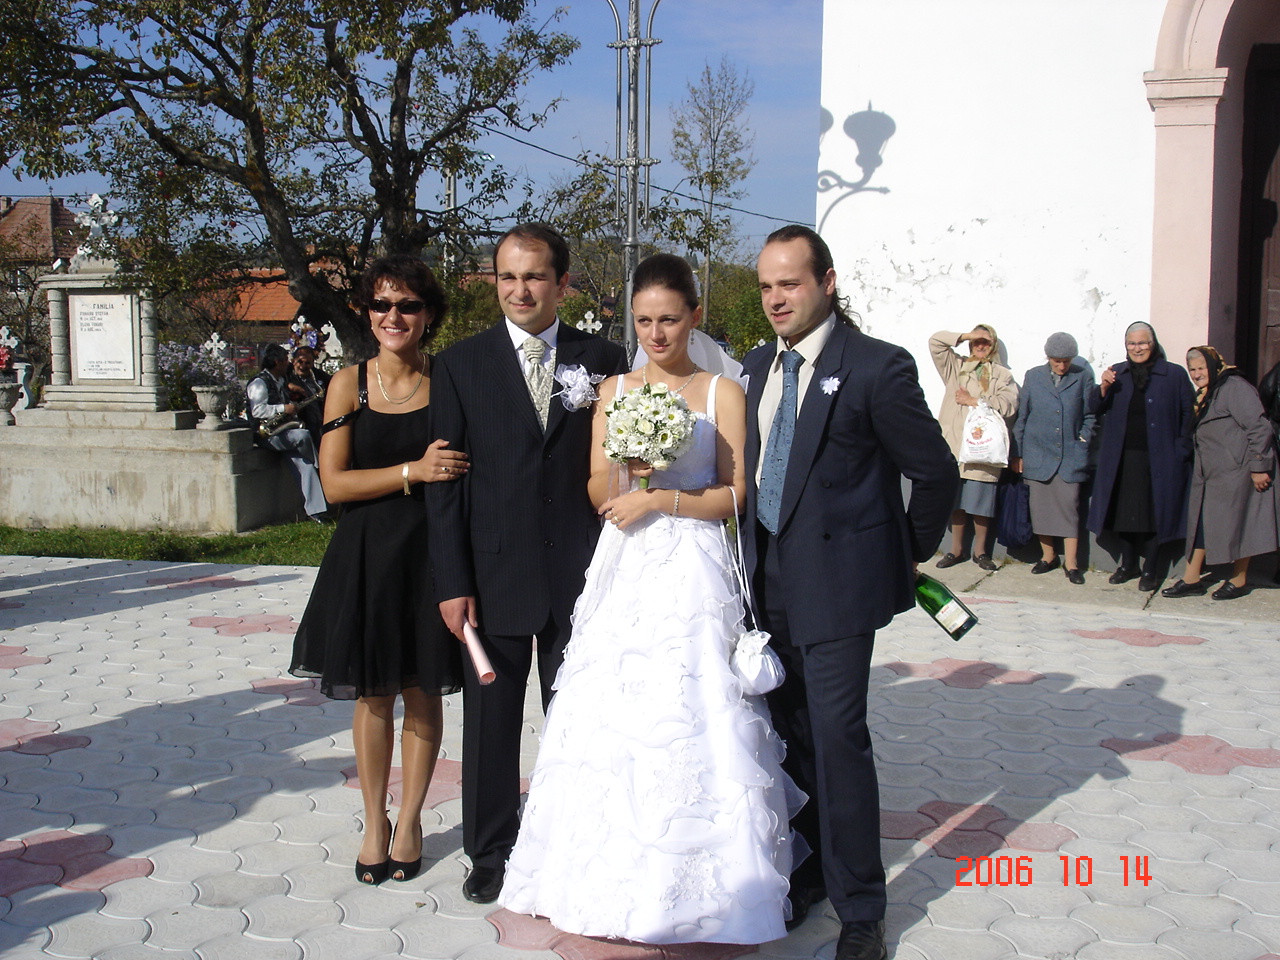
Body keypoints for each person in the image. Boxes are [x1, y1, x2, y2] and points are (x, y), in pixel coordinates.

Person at [499, 253, 802, 944]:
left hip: (694, 566)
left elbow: (735, 495)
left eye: (668, 319)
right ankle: (600, 875)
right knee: (612, 708)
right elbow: (595, 486)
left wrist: (662, 495)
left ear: (694, 316)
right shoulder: (614, 389)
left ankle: (705, 880)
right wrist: (628, 473)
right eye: (643, 321)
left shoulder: (722, 392)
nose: (656, 334)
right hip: (627, 562)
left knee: (693, 705)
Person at [744, 226, 957, 960]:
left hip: (838, 588)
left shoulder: (875, 366)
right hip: (765, 585)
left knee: (838, 741)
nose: (776, 299)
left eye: (790, 283)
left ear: (827, 282)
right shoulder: (755, 368)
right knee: (787, 736)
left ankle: (861, 907)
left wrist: (897, 556)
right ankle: (805, 875)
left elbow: (935, 473)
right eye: (766, 286)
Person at [425, 223, 627, 905]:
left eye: (535, 276)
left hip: (581, 574)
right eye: (507, 276)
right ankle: (489, 851)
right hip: (493, 574)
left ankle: (573, 841)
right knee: (491, 726)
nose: (520, 289)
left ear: (562, 283)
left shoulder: (604, 358)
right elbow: (446, 486)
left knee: (577, 720)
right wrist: (453, 582)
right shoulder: (460, 365)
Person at [289, 255, 468, 885]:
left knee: (423, 690)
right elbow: (334, 484)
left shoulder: (450, 380)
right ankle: (374, 820)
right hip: (367, 556)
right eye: (381, 304)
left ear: (429, 314)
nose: (394, 316)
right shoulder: (350, 384)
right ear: (367, 313)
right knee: (373, 694)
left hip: (431, 554)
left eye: (408, 305)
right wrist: (411, 471)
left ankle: (412, 819)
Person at [1161, 346, 1280, 600]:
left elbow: (1260, 428)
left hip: (1238, 473)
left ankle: (1238, 580)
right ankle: (1192, 579)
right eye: (1192, 369)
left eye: (1201, 368)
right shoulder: (1207, 392)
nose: (1196, 374)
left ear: (1214, 365)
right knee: (1201, 526)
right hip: (1211, 475)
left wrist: (1259, 467)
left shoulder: (1235, 387)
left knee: (1242, 525)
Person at [1087, 321, 1194, 592]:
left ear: (1153, 344)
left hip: (1161, 459)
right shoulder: (1117, 373)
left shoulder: (1173, 374)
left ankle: (1151, 569)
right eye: (1132, 344)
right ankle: (1128, 564)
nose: (1137, 348)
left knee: (1155, 514)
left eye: (1143, 342)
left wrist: (1181, 449)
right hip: (1123, 458)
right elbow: (1094, 407)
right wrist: (1103, 387)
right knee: (1123, 514)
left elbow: (1188, 414)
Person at [929, 325, 1018, 571]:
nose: (980, 346)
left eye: (985, 342)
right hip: (955, 447)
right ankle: (956, 550)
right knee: (956, 502)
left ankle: (981, 552)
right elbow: (936, 342)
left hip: (983, 449)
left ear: (994, 345)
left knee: (981, 504)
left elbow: (1009, 405)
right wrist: (967, 335)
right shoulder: (956, 367)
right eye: (976, 341)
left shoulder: (1001, 375)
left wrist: (975, 401)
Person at [1010, 332, 1096, 584]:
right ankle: (1048, 556)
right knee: (1040, 509)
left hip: (1070, 456)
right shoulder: (1033, 376)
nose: (1062, 366)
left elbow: (1090, 415)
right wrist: (1018, 453)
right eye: (1057, 361)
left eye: (1066, 361)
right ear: (1048, 357)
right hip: (1037, 454)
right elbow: (1023, 416)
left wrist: (1083, 439)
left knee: (1070, 508)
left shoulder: (1083, 377)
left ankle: (1072, 563)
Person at [246, 343, 330, 521]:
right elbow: (257, 411)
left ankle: (316, 513)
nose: (289, 364)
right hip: (266, 434)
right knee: (303, 435)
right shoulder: (259, 383)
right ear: (277, 362)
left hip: (282, 432)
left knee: (305, 467)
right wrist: (284, 408)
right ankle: (320, 464)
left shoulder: (281, 380)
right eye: (286, 360)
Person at [287, 344, 331, 445]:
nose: (303, 366)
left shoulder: (320, 376)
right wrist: (290, 386)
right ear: (293, 361)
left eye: (307, 363)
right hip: (299, 424)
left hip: (320, 422)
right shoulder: (286, 375)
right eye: (300, 362)